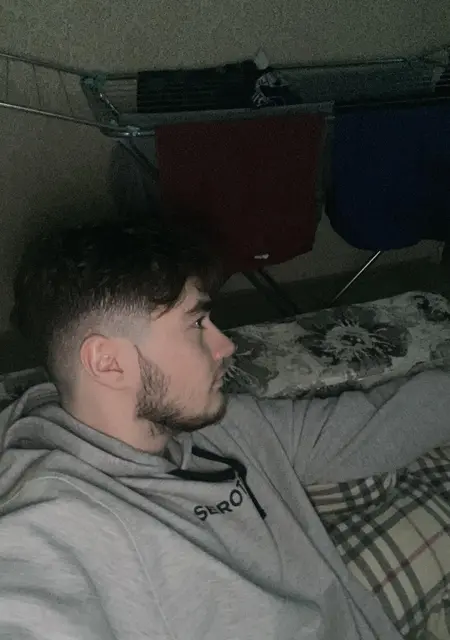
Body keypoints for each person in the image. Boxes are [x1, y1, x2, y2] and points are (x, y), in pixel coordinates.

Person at [0, 217, 449, 640]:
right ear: (108, 363)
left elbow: (372, 425)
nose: (226, 344)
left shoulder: (222, 426)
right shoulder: (54, 519)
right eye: (197, 324)